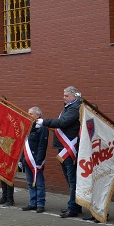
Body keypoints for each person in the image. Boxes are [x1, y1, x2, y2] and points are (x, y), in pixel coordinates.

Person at [35, 86, 83, 218]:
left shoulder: (76, 107)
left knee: (72, 179)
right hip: (63, 147)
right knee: (69, 178)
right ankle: (75, 204)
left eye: (66, 96)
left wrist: (44, 122)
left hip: (69, 148)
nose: (64, 98)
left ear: (74, 96)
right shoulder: (69, 107)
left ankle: (73, 207)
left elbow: (63, 122)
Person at [19, 106, 49, 212]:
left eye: (31, 114)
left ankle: (40, 204)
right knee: (30, 182)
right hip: (27, 159)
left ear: (38, 115)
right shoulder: (28, 126)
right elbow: (24, 144)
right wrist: (21, 159)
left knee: (39, 183)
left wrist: (39, 161)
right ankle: (32, 202)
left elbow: (42, 145)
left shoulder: (42, 128)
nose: (29, 115)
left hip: (36, 159)